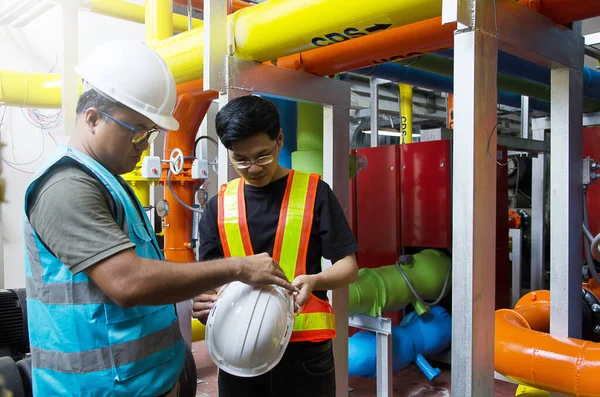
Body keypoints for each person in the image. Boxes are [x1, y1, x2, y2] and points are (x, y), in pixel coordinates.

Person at [22, 40, 295, 397]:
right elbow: (128, 282)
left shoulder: (109, 182)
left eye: (150, 132)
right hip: (97, 389)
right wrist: (239, 267)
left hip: (141, 382)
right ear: (92, 118)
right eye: (137, 130)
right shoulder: (66, 186)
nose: (145, 144)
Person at [192, 95, 359, 397]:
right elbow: (208, 277)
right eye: (240, 159)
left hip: (304, 354)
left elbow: (349, 267)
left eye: (262, 156)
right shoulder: (219, 206)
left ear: (279, 139)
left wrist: (315, 280)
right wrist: (204, 302)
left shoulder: (314, 193)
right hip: (238, 350)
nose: (253, 168)